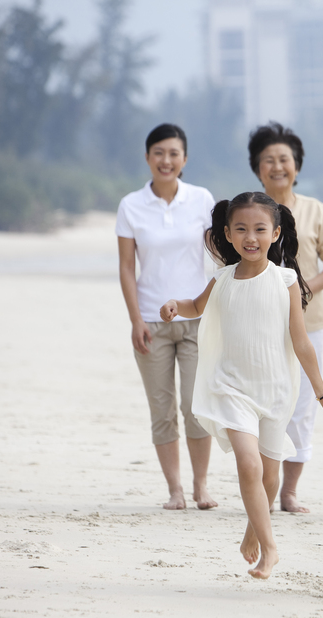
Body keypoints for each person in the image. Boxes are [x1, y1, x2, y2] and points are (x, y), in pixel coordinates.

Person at [159, 192, 323, 579]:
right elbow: (197, 306)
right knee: (249, 464)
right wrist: (176, 305)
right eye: (241, 229)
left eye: (260, 229)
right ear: (227, 234)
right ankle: (271, 548)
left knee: (269, 475)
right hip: (232, 387)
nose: (251, 237)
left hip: (276, 389)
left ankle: (252, 529)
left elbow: (301, 342)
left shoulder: (287, 280)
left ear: (276, 233)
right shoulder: (222, 278)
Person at [116, 123, 217, 511]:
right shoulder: (131, 206)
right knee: (162, 409)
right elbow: (127, 268)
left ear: (185, 159)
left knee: (196, 405)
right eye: (158, 152)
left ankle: (200, 486)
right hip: (150, 323)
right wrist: (135, 320)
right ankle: (175, 490)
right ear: (147, 158)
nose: (166, 160)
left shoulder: (202, 199)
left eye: (174, 153)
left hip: (195, 319)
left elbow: (219, 253)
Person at [248, 122, 323, 513]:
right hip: (256, 324)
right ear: (257, 168)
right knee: (262, 403)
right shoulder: (249, 209)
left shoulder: (315, 211)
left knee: (303, 406)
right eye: (268, 160)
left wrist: (304, 288)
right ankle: (260, 488)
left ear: (297, 166)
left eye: (284, 159)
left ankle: (288, 492)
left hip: (309, 323)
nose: (277, 166)